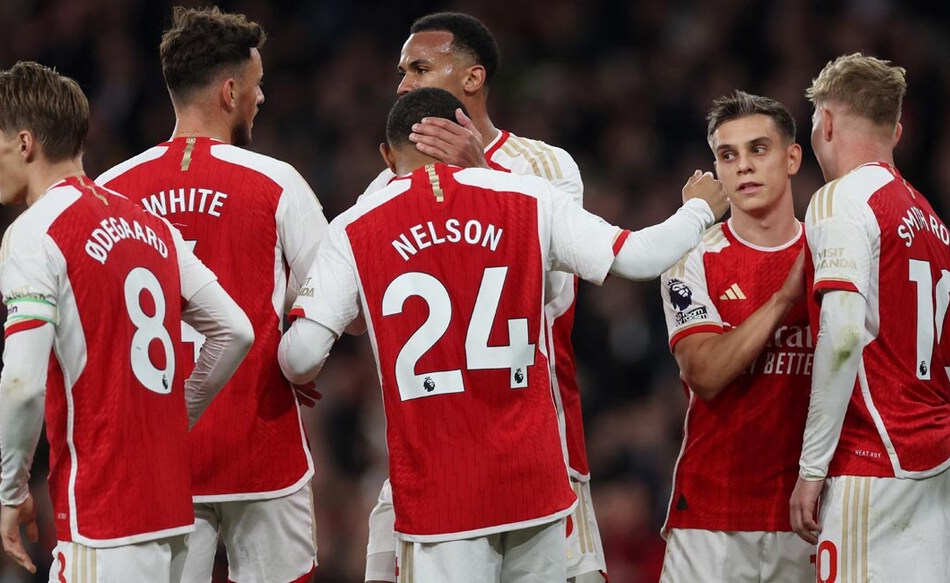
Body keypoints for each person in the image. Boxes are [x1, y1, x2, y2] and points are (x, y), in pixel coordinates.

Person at [279, 87, 728, 582]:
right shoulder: (529, 196)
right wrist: (697, 210)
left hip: (440, 493)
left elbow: (302, 357)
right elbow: (639, 257)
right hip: (533, 479)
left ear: (387, 156)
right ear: (465, 132)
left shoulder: (357, 225)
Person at [0, 61, 253, 581]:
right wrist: (176, 417)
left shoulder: (35, 234)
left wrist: (12, 490)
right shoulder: (154, 226)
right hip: (171, 515)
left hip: (103, 519)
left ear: (25, 143)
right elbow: (234, 330)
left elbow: (21, 385)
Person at [359, 13, 601, 582]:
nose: (403, 85)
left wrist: (481, 176)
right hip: (430, 454)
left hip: (535, 445)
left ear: (472, 78)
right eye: (402, 72)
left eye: (420, 68)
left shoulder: (544, 165)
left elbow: (549, 279)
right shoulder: (387, 186)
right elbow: (350, 308)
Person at [95, 7, 326, 583]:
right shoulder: (277, 182)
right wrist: (297, 352)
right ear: (229, 92)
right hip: (261, 443)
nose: (261, 98)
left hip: (160, 454)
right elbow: (336, 308)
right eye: (256, 85)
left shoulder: (110, 192)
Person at [789, 53, 950, 582]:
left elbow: (843, 335)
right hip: (947, 463)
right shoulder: (937, 226)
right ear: (894, 132)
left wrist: (812, 467)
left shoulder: (839, 199)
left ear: (826, 123)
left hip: (877, 463)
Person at [658, 91, 813, 581]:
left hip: (808, 512)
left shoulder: (832, 253)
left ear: (792, 158)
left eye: (758, 149)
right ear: (717, 172)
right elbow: (704, 373)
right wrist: (785, 299)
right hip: (711, 518)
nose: (743, 165)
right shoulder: (690, 257)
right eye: (728, 156)